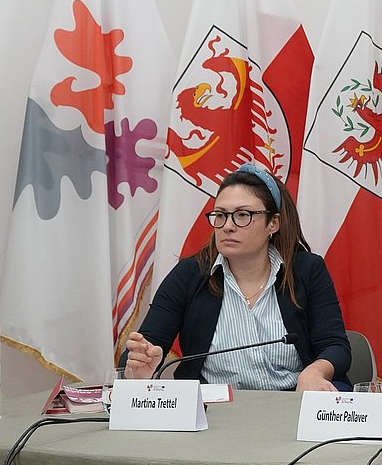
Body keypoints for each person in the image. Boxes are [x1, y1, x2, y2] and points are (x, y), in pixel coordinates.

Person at [126, 162, 349, 391]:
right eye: (220, 215)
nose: (228, 226)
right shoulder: (189, 275)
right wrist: (139, 366)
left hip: (291, 406)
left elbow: (335, 345)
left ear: (273, 223)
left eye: (243, 215)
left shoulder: (306, 270)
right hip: (214, 413)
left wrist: (315, 371)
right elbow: (147, 345)